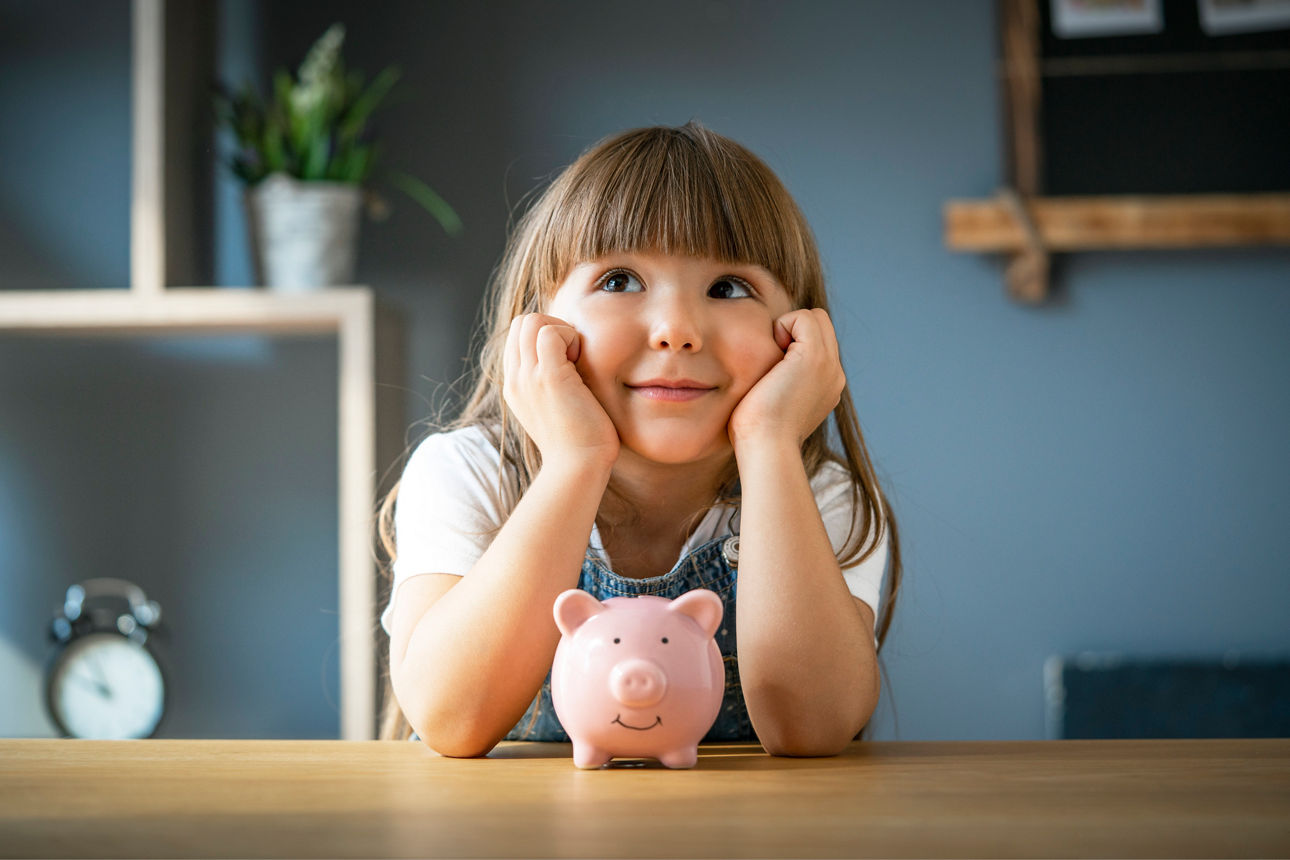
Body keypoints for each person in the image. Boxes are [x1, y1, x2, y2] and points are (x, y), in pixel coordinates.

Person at [378, 122, 901, 757]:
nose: (676, 331)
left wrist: (768, 443)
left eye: (729, 288)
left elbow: (812, 728)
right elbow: (451, 720)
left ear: (797, 335)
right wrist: (576, 461)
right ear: (540, 319)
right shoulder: (469, 471)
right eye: (620, 280)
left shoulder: (813, 491)